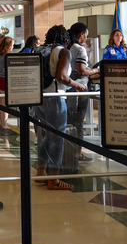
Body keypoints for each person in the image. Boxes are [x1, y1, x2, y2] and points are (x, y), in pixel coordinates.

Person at [33, 25, 87, 190]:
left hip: (39, 98)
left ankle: (41, 172)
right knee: (57, 139)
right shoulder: (63, 52)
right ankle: (54, 179)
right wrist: (77, 85)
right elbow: (62, 76)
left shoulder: (39, 50)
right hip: (56, 99)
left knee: (47, 137)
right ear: (66, 38)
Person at [66, 23, 99, 163]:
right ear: (81, 34)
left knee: (68, 121)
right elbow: (82, 71)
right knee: (78, 121)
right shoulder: (80, 49)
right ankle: (77, 154)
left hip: (67, 88)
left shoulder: (67, 47)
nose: (86, 37)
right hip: (79, 89)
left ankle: (68, 152)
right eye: (86, 34)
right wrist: (96, 71)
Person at [0, 36, 14, 130]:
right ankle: (4, 123)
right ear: (8, 45)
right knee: (4, 103)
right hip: (3, 79)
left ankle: (1, 121)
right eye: (12, 45)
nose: (13, 46)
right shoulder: (8, 55)